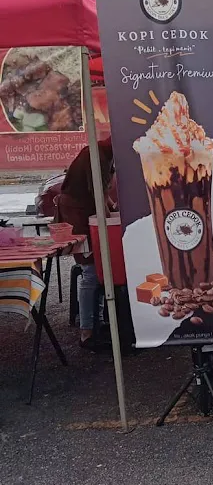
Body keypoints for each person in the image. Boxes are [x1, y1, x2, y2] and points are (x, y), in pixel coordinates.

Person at [55, 137, 114, 351]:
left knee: (100, 270)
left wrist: (112, 207)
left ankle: (98, 322)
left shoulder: (105, 154)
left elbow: (103, 193)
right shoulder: (95, 155)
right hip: (78, 216)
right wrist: (110, 216)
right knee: (90, 271)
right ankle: (87, 331)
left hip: (86, 213)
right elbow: (99, 193)